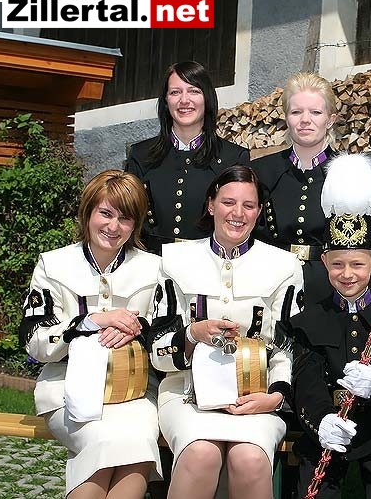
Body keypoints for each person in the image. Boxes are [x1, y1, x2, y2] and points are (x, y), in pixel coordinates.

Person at [149, 165, 303, 499]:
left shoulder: (284, 266)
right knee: (201, 453)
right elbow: (158, 350)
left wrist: (276, 396)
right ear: (211, 205)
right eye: (228, 202)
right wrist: (191, 334)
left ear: (259, 212)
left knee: (249, 458)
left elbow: (289, 348)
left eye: (249, 205)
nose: (238, 213)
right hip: (186, 394)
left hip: (258, 397)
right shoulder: (175, 259)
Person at [19, 170, 162, 498]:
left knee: (139, 442)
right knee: (103, 440)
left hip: (135, 392)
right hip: (64, 390)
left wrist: (139, 329)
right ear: (87, 213)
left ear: (136, 224)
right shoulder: (52, 265)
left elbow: (166, 335)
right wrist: (88, 322)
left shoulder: (155, 268)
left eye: (125, 218)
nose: (113, 226)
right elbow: (34, 341)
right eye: (105, 213)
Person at [290, 153, 371, 499]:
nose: (347, 274)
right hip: (328, 427)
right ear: (324, 262)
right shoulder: (309, 321)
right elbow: (306, 381)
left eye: (358, 264)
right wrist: (321, 422)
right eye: (338, 264)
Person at [125, 61, 250, 254]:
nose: (184, 100)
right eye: (175, 92)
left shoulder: (233, 158)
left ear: (207, 98)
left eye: (194, 91)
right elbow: (127, 216)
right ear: (166, 101)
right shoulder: (141, 155)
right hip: (150, 263)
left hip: (209, 264)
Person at [251, 72, 339, 305]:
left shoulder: (347, 172)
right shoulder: (261, 171)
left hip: (329, 288)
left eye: (315, 112)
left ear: (330, 119)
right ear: (286, 118)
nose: (305, 120)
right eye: (296, 112)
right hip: (270, 284)